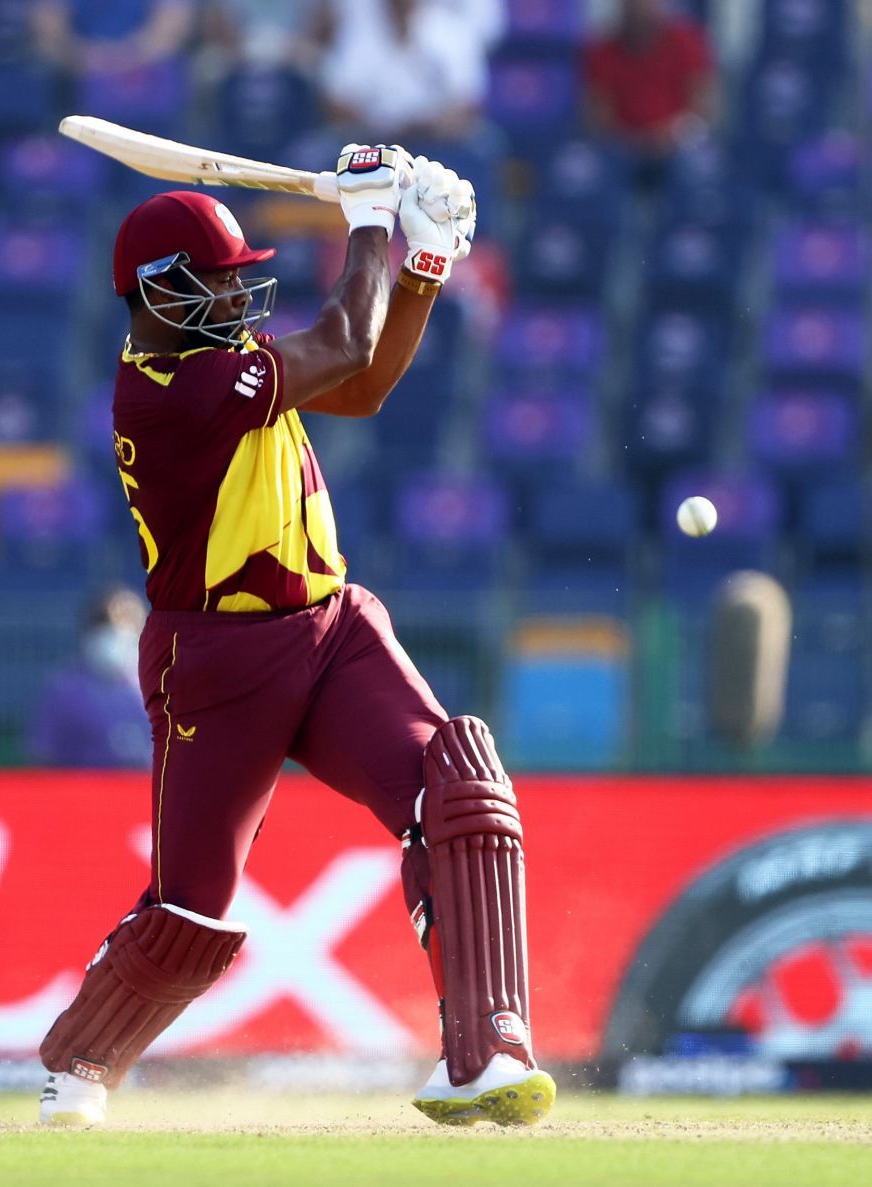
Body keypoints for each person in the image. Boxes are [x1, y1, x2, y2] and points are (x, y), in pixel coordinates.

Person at [33, 148, 555, 1130]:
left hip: (331, 626)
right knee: (193, 909)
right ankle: (80, 1061)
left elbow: (359, 385)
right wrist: (368, 222)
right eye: (219, 278)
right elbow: (347, 348)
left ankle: (486, 1047)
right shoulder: (167, 389)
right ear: (160, 291)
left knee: (460, 785)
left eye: (241, 276)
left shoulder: (232, 364)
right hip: (217, 660)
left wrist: (425, 260)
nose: (238, 293)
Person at [316, 0, 492, 140]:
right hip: (373, 139)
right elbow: (337, 101)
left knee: (484, 142)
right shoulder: (359, 31)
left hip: (437, 139)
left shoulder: (451, 30)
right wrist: (384, 127)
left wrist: (430, 126)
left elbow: (467, 102)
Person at [27, 586, 150, 768]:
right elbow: (43, 757)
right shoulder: (64, 690)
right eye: (105, 623)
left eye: (128, 621)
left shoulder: (166, 687)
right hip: (84, 792)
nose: (117, 632)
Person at [582, 0, 717, 158]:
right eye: (632, 6)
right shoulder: (602, 50)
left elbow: (704, 107)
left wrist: (666, 135)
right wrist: (636, 140)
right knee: (580, 170)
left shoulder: (688, 41)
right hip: (623, 145)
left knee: (700, 162)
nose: (639, 12)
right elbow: (598, 116)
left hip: (679, 141)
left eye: (646, 6)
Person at [31, 0, 193, 74]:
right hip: (74, 73)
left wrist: (128, 57)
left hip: (147, 70)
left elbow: (173, 26)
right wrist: (85, 57)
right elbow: (48, 31)